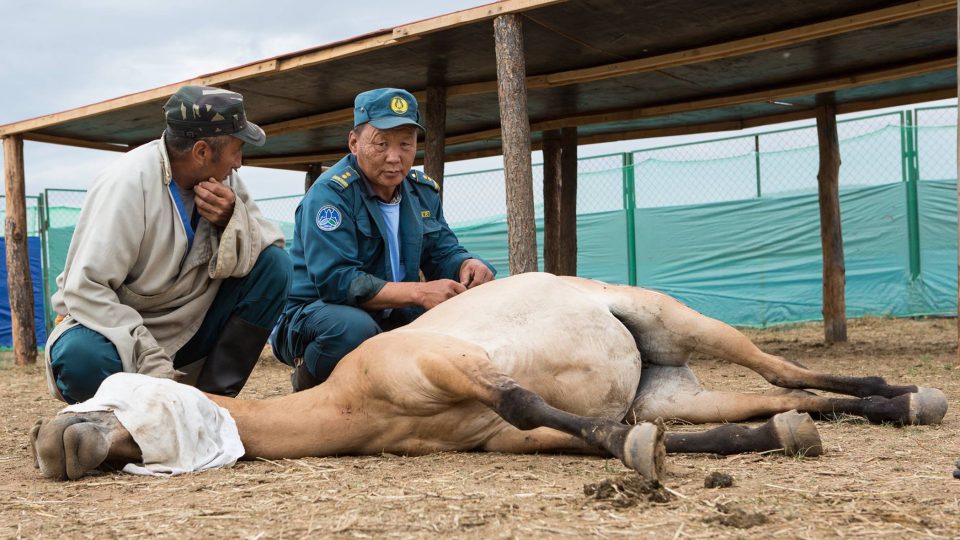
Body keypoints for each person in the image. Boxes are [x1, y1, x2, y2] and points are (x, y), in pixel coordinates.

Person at [45, 85, 292, 404]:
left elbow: (267, 242)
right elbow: (85, 290)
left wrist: (232, 217)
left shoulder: (225, 181)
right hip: (120, 333)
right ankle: (116, 415)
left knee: (275, 265)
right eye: (236, 149)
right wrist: (148, 356)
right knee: (81, 359)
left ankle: (210, 404)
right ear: (202, 152)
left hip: (190, 325)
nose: (239, 162)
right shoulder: (127, 183)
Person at [271, 88, 495, 391]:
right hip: (315, 314)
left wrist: (467, 264)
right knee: (353, 329)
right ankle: (309, 384)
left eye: (405, 144)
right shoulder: (331, 196)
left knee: (475, 302)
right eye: (381, 144)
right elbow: (337, 282)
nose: (394, 157)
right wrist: (419, 292)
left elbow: (442, 251)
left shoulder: (422, 192)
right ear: (354, 142)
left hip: (393, 312)